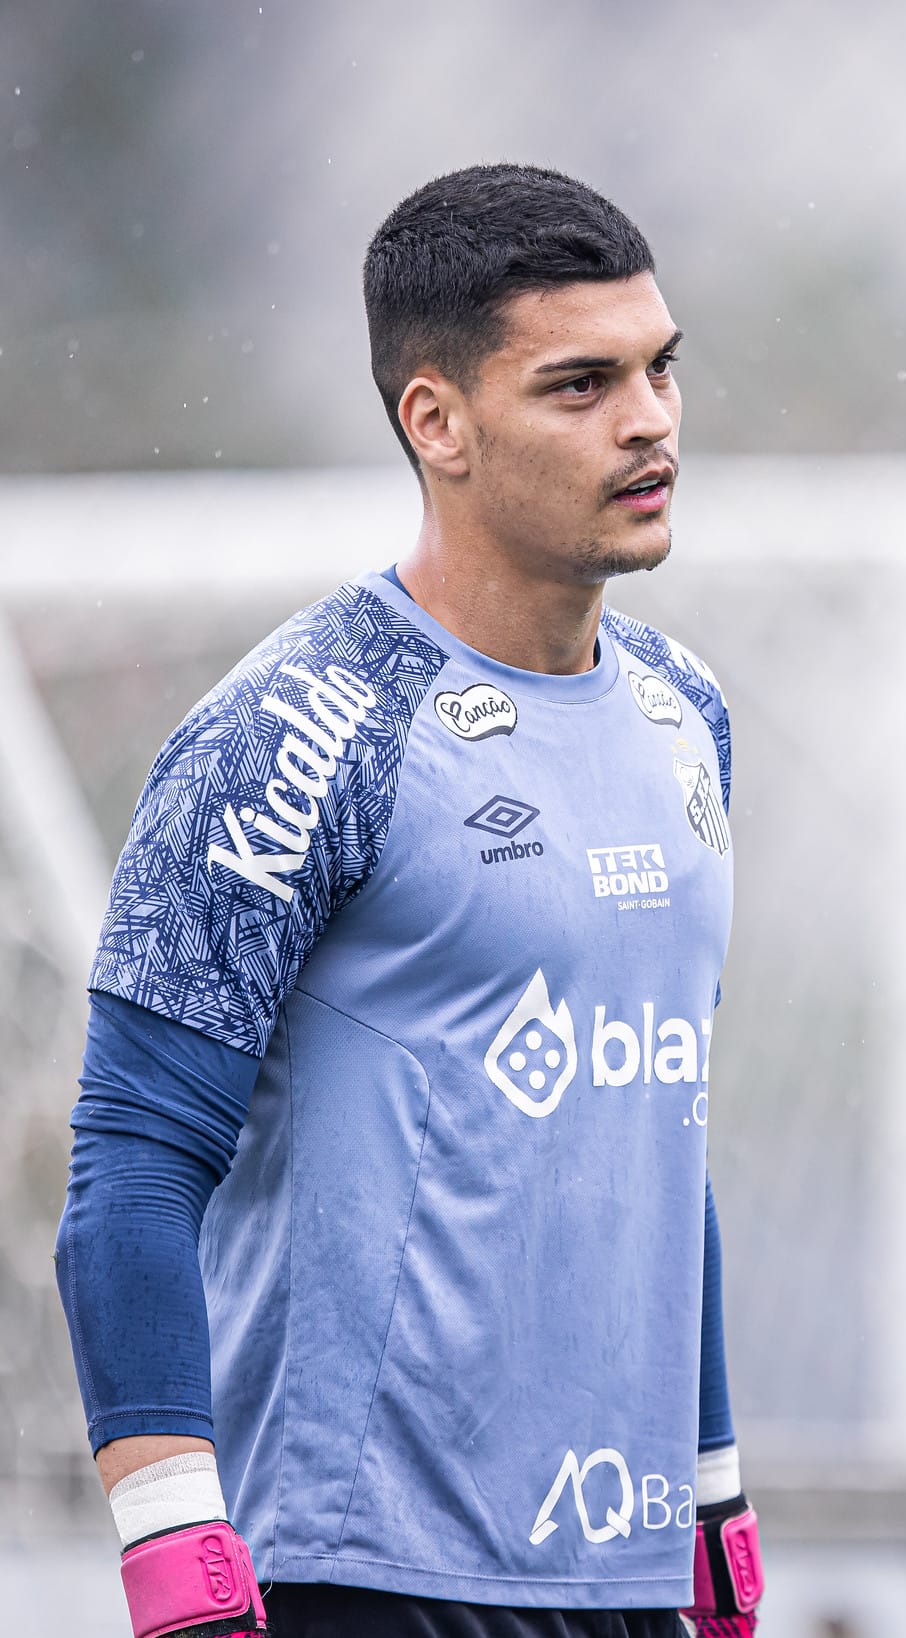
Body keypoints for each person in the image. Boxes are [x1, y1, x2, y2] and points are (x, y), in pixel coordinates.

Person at [55, 164, 764, 1638]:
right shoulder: (300, 732)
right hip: (358, 1579)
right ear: (434, 420)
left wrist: (714, 1491)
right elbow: (126, 1168)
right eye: (580, 385)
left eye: (658, 368)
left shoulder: (688, 714)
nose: (648, 422)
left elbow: (655, 1130)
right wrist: (177, 1566)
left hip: (627, 1579)